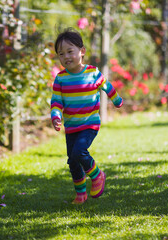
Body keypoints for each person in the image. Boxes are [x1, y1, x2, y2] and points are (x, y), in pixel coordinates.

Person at [50, 28, 123, 204]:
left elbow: (107, 86)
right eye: (61, 54)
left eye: (70, 51)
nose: (66, 57)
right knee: (72, 161)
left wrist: (117, 99)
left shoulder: (92, 73)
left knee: (79, 152)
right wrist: (55, 116)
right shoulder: (60, 78)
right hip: (71, 126)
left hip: (89, 123)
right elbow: (56, 102)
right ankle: (80, 194)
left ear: (82, 52)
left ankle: (97, 175)